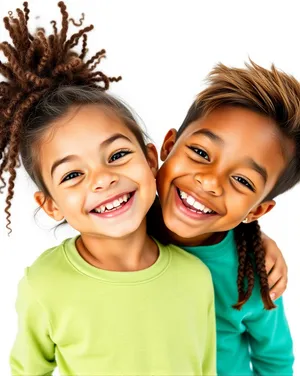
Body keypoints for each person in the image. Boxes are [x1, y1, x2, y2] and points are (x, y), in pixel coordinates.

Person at [3, 3, 216, 375]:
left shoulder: (196, 278)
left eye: (117, 154)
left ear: (151, 160)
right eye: (72, 175)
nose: (102, 179)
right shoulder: (44, 284)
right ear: (50, 205)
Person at [151, 61, 300, 374]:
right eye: (201, 153)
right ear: (169, 146)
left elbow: (274, 359)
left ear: (257, 210)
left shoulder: (254, 278)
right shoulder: (118, 226)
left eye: (243, 181)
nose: (210, 182)